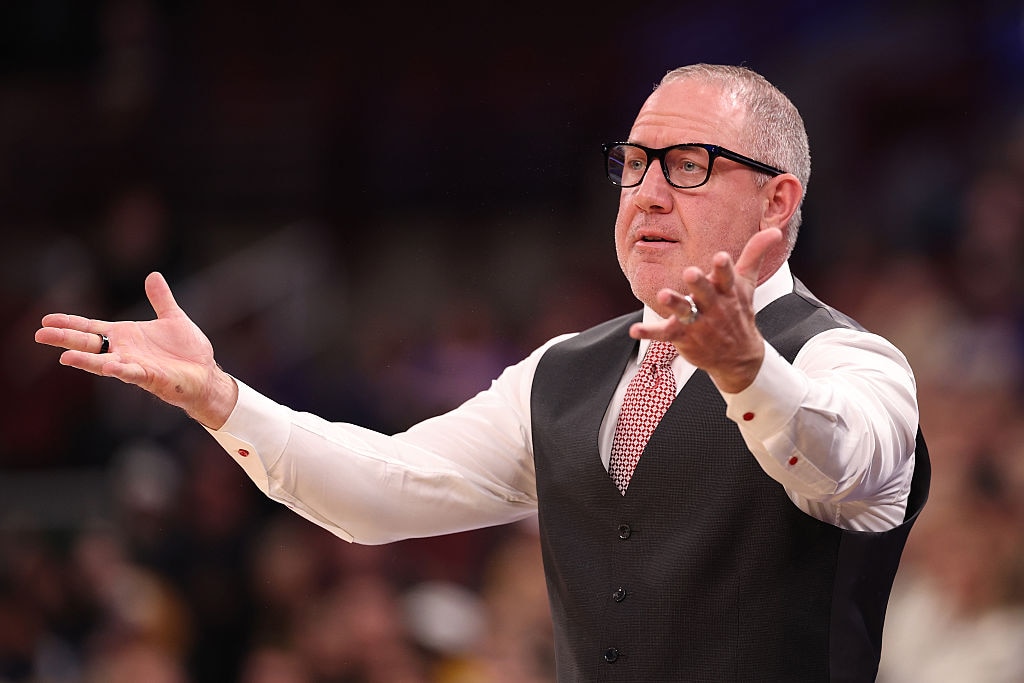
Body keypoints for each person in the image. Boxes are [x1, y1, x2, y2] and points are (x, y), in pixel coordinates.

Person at [35, 63, 929, 682]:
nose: (648, 192)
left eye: (689, 166)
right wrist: (220, 397)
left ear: (779, 197)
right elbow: (379, 491)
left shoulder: (851, 361)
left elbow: (839, 463)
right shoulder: (565, 372)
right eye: (633, 164)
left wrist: (748, 370)